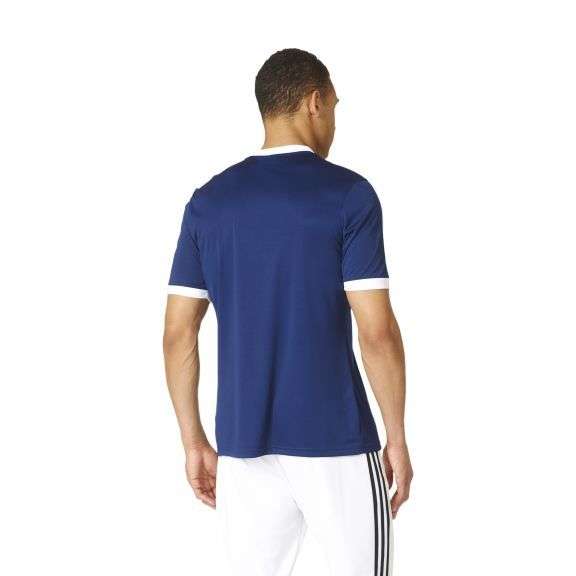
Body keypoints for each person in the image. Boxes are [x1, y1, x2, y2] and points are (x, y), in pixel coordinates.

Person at [163, 48, 413, 576]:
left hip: (243, 443)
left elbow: (177, 334)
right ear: (314, 102)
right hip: (336, 439)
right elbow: (377, 333)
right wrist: (396, 434)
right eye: (335, 106)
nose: (334, 122)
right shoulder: (349, 195)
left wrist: (193, 440)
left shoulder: (208, 203)